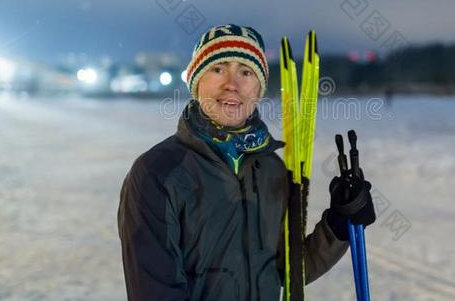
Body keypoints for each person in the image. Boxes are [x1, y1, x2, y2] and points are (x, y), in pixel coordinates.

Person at [117, 24, 375, 300]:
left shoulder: (273, 169)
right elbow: (155, 292)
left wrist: (337, 225)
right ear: (196, 82)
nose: (232, 84)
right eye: (218, 69)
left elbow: (285, 273)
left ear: (258, 88)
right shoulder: (158, 173)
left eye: (246, 72)